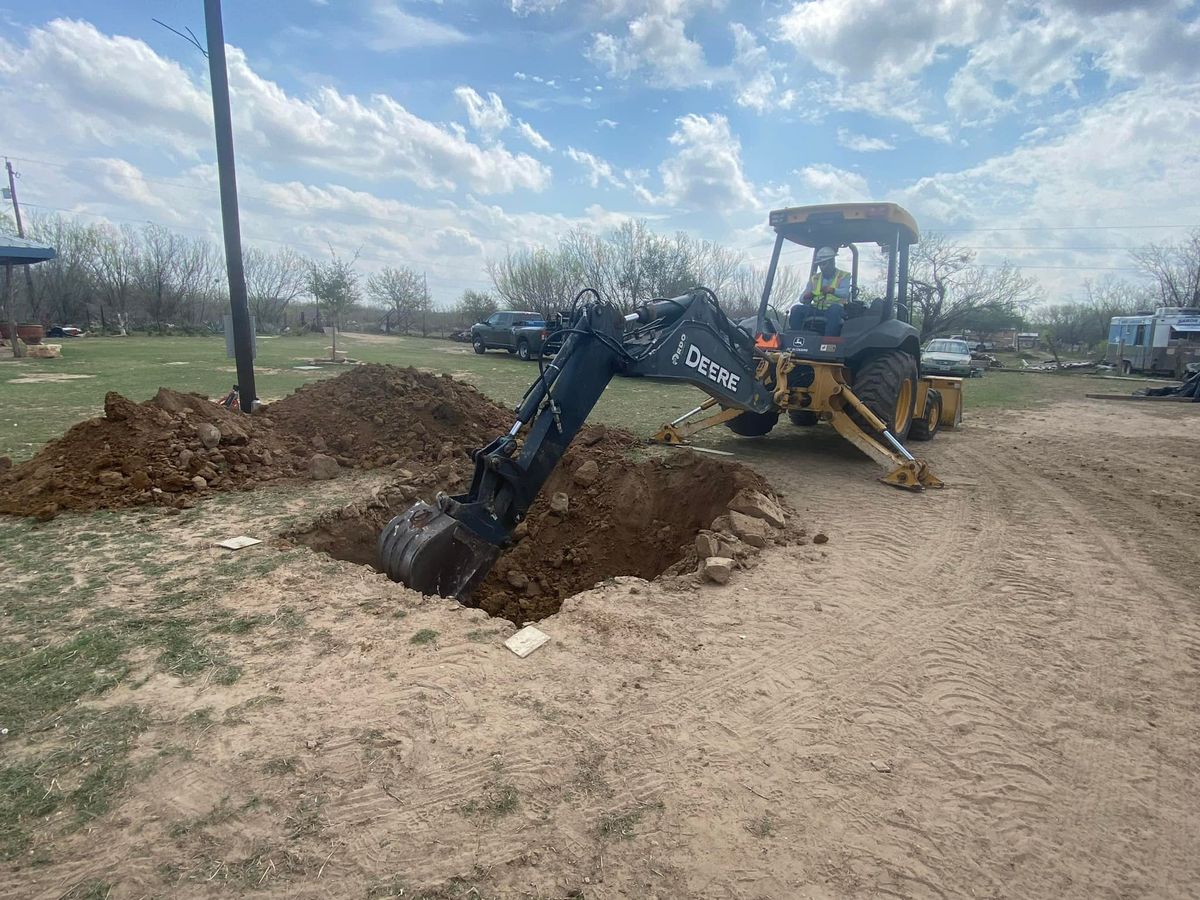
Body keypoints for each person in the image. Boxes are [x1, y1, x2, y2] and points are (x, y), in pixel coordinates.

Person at [789, 246, 851, 336]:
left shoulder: (843, 276)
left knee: (834, 309)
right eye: (820, 264)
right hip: (816, 309)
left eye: (824, 263)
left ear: (832, 262)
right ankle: (797, 338)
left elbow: (845, 293)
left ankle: (828, 341)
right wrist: (806, 296)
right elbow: (802, 298)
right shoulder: (815, 278)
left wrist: (832, 290)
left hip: (836, 309)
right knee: (796, 309)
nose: (822, 267)